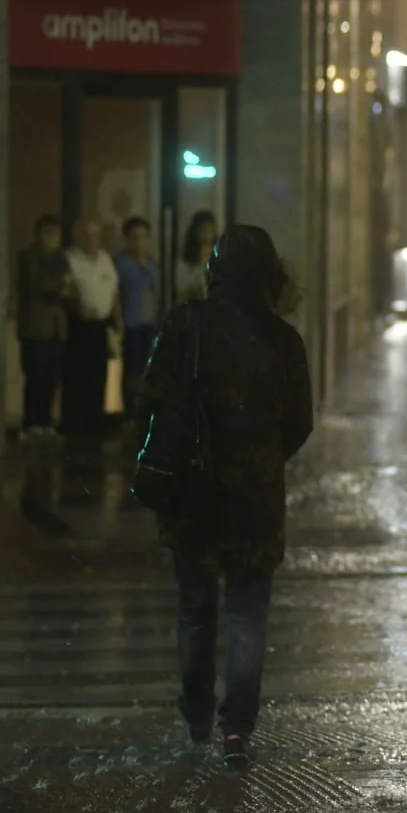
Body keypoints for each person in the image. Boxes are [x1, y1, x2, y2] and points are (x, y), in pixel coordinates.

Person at [137, 225, 313, 767]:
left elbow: (149, 397)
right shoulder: (284, 340)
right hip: (255, 497)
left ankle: (195, 709)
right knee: (247, 613)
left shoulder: (185, 325)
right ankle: (237, 730)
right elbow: (300, 422)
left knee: (195, 606)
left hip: (190, 493)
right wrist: (262, 457)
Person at [62, 216, 119, 438]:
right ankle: (75, 425)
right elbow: (66, 290)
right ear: (77, 236)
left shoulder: (105, 259)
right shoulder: (70, 258)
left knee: (99, 374)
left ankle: (95, 422)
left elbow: (114, 292)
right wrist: (76, 307)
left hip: (101, 325)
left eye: (95, 234)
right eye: (86, 235)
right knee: (77, 375)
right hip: (78, 325)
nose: (91, 239)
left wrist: (118, 321)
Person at [15, 215, 70, 439]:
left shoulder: (62, 258)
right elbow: (37, 284)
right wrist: (60, 285)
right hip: (35, 326)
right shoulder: (29, 256)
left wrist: (62, 286)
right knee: (35, 375)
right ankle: (31, 422)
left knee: (51, 376)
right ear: (38, 235)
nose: (53, 238)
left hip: (57, 327)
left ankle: (46, 421)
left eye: (56, 234)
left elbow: (70, 286)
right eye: (48, 233)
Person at [114, 216, 160, 413]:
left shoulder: (152, 262)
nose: (140, 241)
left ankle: (147, 410)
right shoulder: (120, 263)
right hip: (131, 323)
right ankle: (130, 412)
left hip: (152, 323)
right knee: (132, 370)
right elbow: (115, 294)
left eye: (143, 236)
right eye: (135, 237)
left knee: (150, 369)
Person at [176, 210, 216, 302]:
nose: (207, 234)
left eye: (210, 229)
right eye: (204, 229)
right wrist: (200, 262)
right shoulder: (185, 261)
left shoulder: (218, 254)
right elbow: (183, 289)